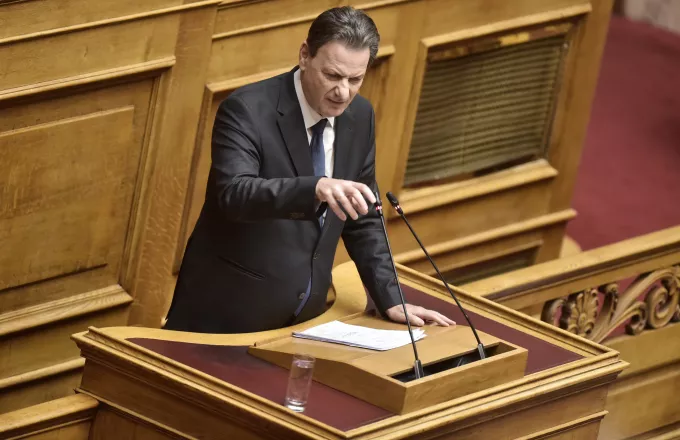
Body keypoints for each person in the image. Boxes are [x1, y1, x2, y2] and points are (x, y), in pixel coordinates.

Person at [164, 6, 455, 333]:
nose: (343, 92)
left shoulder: (359, 116)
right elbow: (234, 194)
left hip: (305, 320)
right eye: (332, 76)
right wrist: (314, 188)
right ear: (305, 55)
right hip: (227, 318)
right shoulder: (247, 110)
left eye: (355, 79)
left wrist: (390, 298)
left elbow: (362, 217)